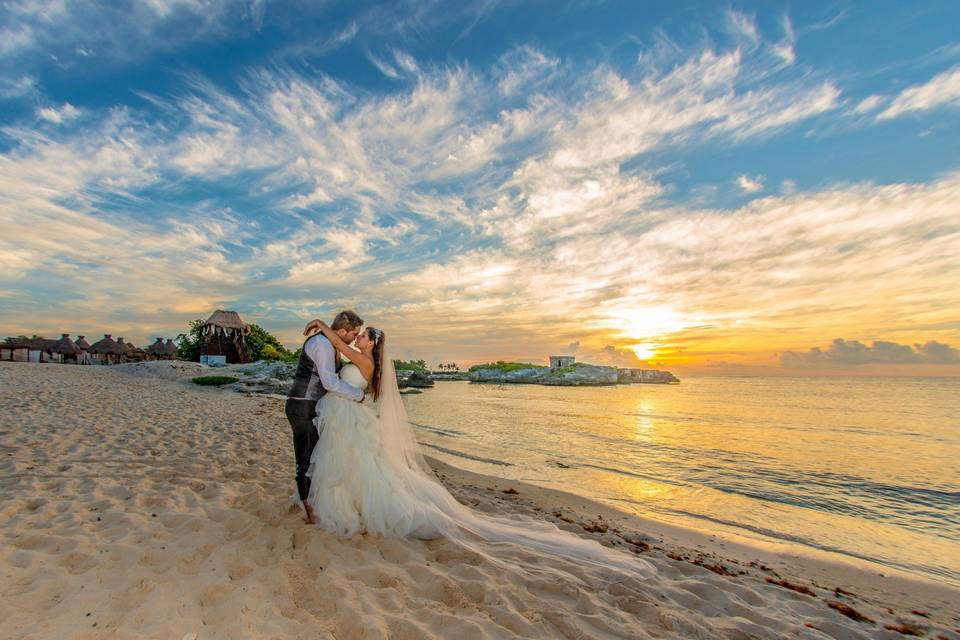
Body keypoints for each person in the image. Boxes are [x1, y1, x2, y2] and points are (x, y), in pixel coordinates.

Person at [300, 319, 656, 578]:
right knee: (353, 466)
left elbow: (341, 350)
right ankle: (343, 504)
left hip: (351, 417)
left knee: (361, 466)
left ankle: (357, 509)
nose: (358, 337)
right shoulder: (363, 359)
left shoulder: (365, 360)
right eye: (358, 334)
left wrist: (321, 326)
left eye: (364, 336)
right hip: (348, 417)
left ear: (373, 345)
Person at [285, 310, 364, 525]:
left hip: (310, 405)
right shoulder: (322, 344)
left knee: (316, 457)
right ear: (341, 331)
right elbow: (329, 382)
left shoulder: (328, 341)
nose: (355, 338)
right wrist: (358, 394)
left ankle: (315, 505)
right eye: (354, 333)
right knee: (306, 459)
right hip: (302, 405)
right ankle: (312, 515)